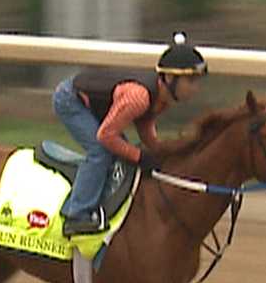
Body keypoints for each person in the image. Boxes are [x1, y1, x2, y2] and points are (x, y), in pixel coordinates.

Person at [53, 32, 208, 237]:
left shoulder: (163, 96)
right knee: (101, 152)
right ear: (170, 78)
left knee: (123, 154)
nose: (196, 88)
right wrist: (140, 156)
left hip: (98, 105)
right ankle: (77, 215)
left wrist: (157, 150)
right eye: (191, 80)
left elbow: (145, 123)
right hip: (70, 100)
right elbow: (106, 136)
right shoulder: (139, 98)